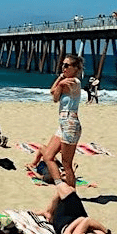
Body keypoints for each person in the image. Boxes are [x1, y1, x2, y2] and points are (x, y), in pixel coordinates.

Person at [32, 182, 111, 234]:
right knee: (69, 190)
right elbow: (85, 220)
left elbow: (87, 220)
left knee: (62, 187)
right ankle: (48, 211)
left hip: (63, 222)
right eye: (90, 233)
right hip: (77, 217)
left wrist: (68, 231)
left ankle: (48, 213)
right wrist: (105, 231)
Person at [41, 54, 84, 188]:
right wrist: (60, 79)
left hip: (71, 124)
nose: (63, 67)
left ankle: (71, 194)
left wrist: (60, 83)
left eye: (67, 65)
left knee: (67, 164)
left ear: (75, 68)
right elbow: (53, 93)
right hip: (63, 124)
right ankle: (60, 185)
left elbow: (54, 95)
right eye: (63, 65)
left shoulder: (73, 82)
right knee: (48, 156)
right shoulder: (64, 81)